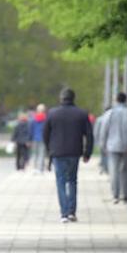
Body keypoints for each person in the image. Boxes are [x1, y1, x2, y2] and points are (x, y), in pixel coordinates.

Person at [44, 87, 94, 223]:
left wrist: (48, 150)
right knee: (72, 180)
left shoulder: (52, 113)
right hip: (74, 152)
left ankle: (64, 213)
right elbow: (89, 135)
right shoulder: (82, 114)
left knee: (60, 181)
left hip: (57, 152)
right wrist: (87, 153)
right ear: (73, 98)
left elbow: (45, 134)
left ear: (61, 99)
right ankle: (72, 211)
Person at [95, 92, 127, 204]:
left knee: (114, 171)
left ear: (116, 100)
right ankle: (126, 195)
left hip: (112, 146)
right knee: (126, 171)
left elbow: (104, 130)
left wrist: (102, 145)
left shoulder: (109, 113)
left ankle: (116, 195)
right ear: (125, 100)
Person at [29, 104, 47, 172]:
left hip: (34, 138)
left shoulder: (33, 118)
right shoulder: (46, 118)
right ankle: (40, 168)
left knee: (35, 153)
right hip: (43, 138)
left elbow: (31, 129)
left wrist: (29, 139)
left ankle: (35, 167)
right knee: (42, 153)